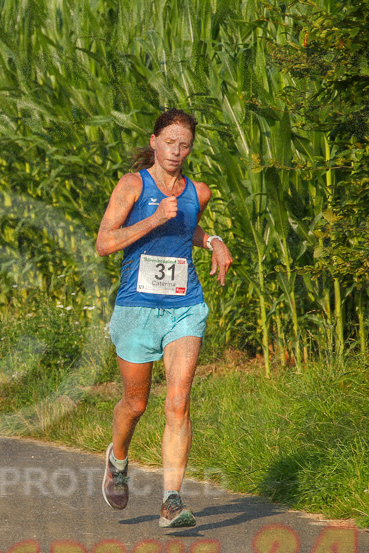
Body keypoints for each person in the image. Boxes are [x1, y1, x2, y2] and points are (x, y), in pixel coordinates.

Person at [95, 108, 233, 528]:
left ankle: (171, 500)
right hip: (137, 307)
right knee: (135, 403)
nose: (176, 151)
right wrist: (152, 218)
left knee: (178, 401)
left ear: (190, 149)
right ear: (154, 141)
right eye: (169, 142)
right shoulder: (132, 185)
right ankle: (118, 461)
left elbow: (186, 228)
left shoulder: (198, 192)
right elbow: (104, 243)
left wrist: (213, 240)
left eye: (184, 145)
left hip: (184, 305)